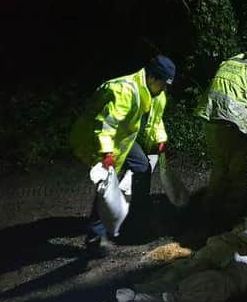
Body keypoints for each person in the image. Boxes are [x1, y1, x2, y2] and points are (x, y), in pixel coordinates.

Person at [70, 55, 176, 252]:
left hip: (123, 138)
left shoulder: (157, 94)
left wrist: (160, 140)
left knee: (142, 166)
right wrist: (107, 152)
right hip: (97, 137)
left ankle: (136, 218)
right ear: (152, 77)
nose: (165, 89)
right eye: (163, 83)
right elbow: (106, 124)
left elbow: (156, 121)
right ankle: (95, 237)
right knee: (109, 183)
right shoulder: (125, 90)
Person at [196, 43, 247, 227]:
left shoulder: (231, 60)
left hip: (210, 117)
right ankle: (230, 220)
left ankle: (205, 214)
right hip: (232, 122)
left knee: (219, 167)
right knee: (237, 171)